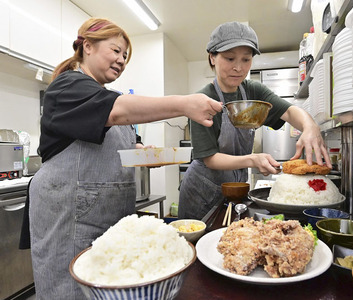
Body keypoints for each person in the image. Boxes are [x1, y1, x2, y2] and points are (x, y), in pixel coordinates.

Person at [26, 17, 222, 299]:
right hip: (70, 216)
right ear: (88, 46)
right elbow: (116, 112)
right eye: (116, 51)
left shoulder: (104, 95)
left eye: (125, 56)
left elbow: (123, 137)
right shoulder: (67, 86)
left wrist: (143, 151)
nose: (121, 60)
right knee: (70, 290)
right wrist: (184, 104)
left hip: (107, 216)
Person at [178, 22, 331, 220]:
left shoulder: (253, 92)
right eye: (230, 58)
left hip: (236, 188)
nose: (238, 68)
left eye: (246, 59)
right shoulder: (201, 100)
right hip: (201, 190)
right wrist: (252, 159)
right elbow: (209, 158)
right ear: (212, 57)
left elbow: (290, 112)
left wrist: (310, 126)